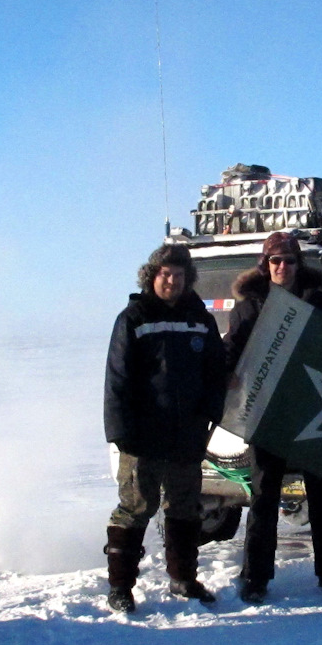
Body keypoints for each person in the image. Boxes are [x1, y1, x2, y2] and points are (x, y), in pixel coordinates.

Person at [224, 231, 322, 604]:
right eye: (275, 261)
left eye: (289, 260)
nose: (282, 267)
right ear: (265, 265)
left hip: (313, 410)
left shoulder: (319, 302)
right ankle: (255, 577)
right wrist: (225, 377)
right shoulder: (249, 305)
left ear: (299, 264)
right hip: (268, 413)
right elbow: (233, 348)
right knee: (263, 495)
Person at [103, 242, 227, 613]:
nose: (171, 280)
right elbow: (117, 379)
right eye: (165, 274)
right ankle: (120, 586)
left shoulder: (200, 319)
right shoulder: (134, 318)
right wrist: (119, 430)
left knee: (184, 508)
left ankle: (184, 578)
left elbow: (215, 371)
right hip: (142, 434)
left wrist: (212, 411)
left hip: (186, 433)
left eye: (178, 275)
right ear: (151, 276)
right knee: (136, 507)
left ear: (188, 279)